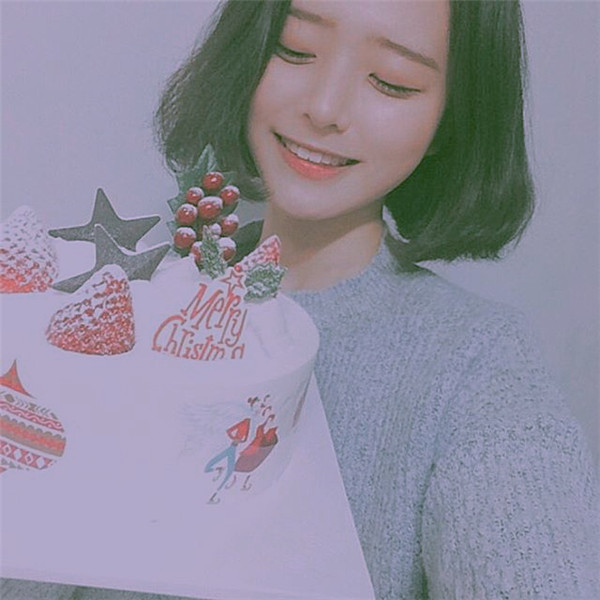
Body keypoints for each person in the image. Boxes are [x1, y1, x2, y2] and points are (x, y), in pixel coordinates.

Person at [3, 1, 597, 599]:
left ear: (452, 120)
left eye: (392, 81)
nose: (325, 107)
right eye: (294, 48)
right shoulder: (125, 295)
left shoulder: (477, 368)